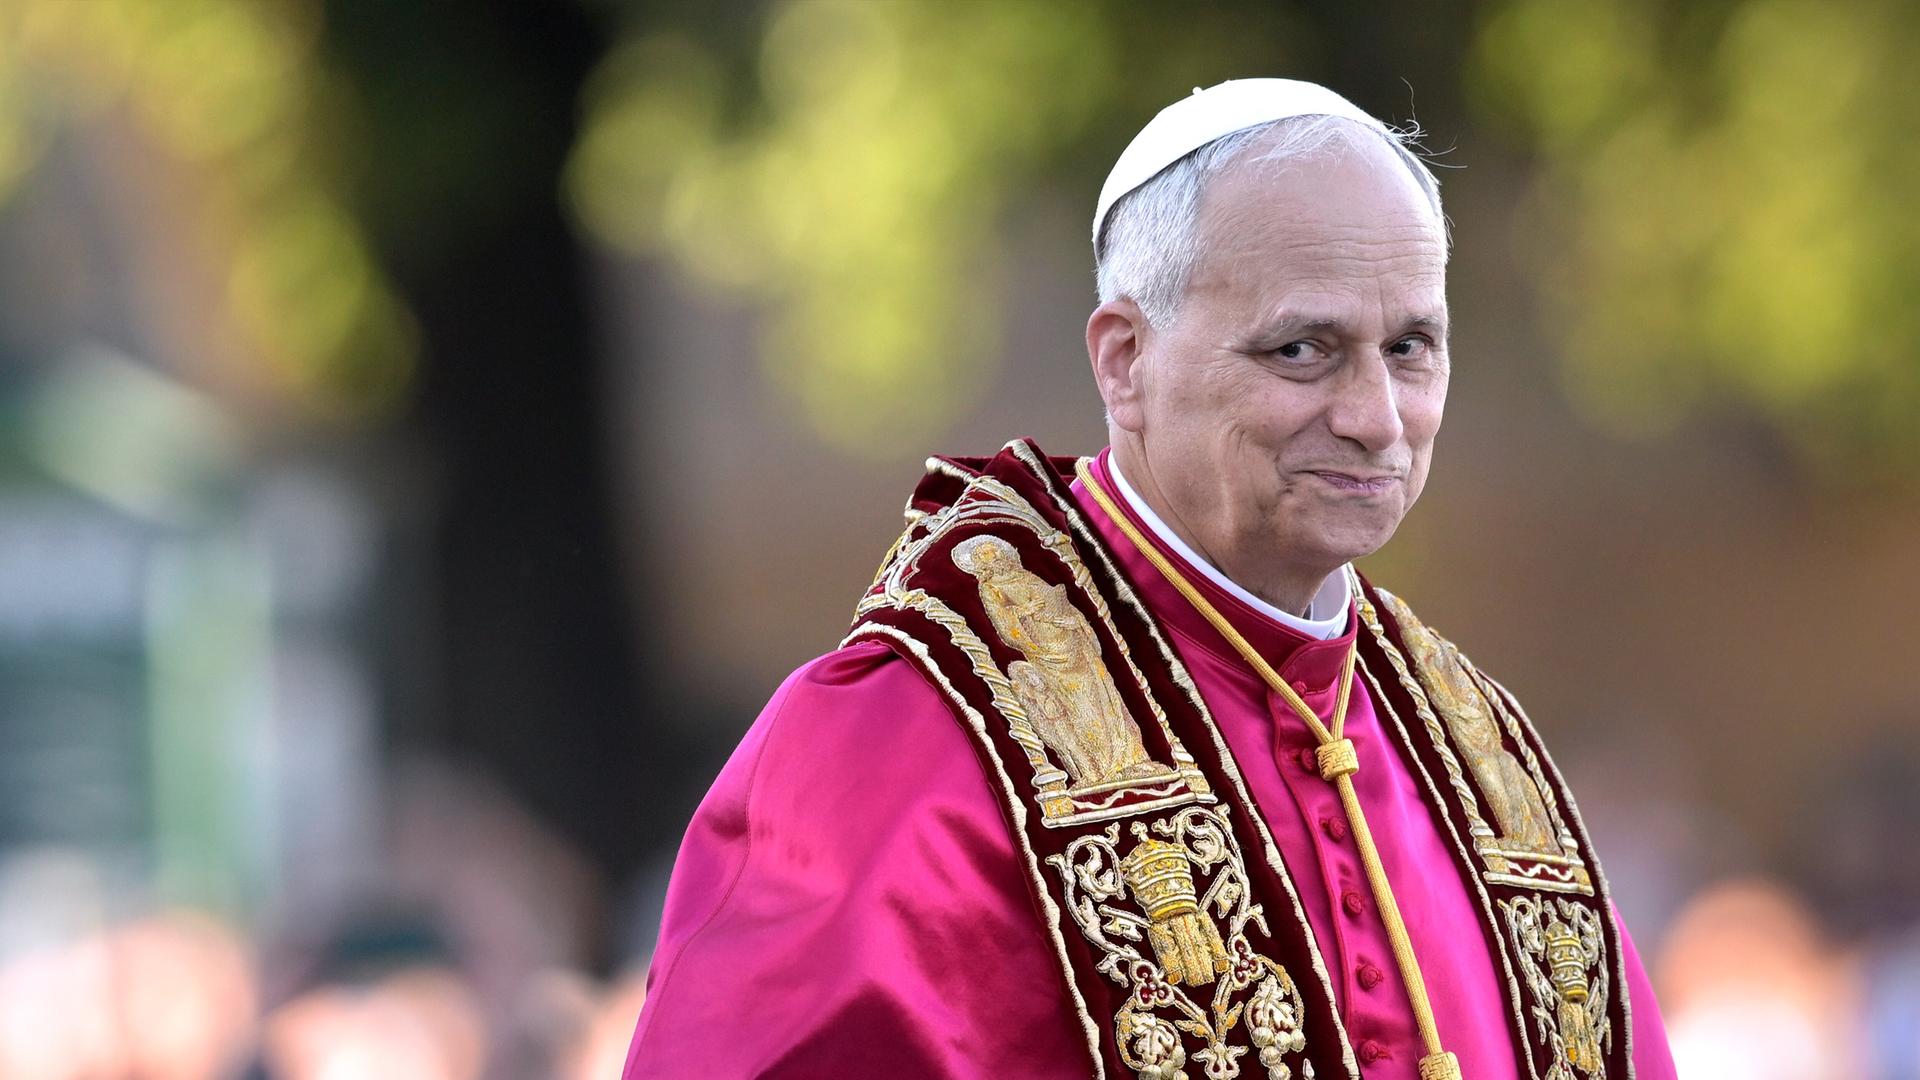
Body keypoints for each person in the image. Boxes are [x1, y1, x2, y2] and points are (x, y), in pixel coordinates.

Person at [622, 79, 1679, 1080]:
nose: (1376, 417)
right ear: (1126, 359)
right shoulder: (894, 743)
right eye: (1304, 350)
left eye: (1411, 347)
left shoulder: (1481, 768)